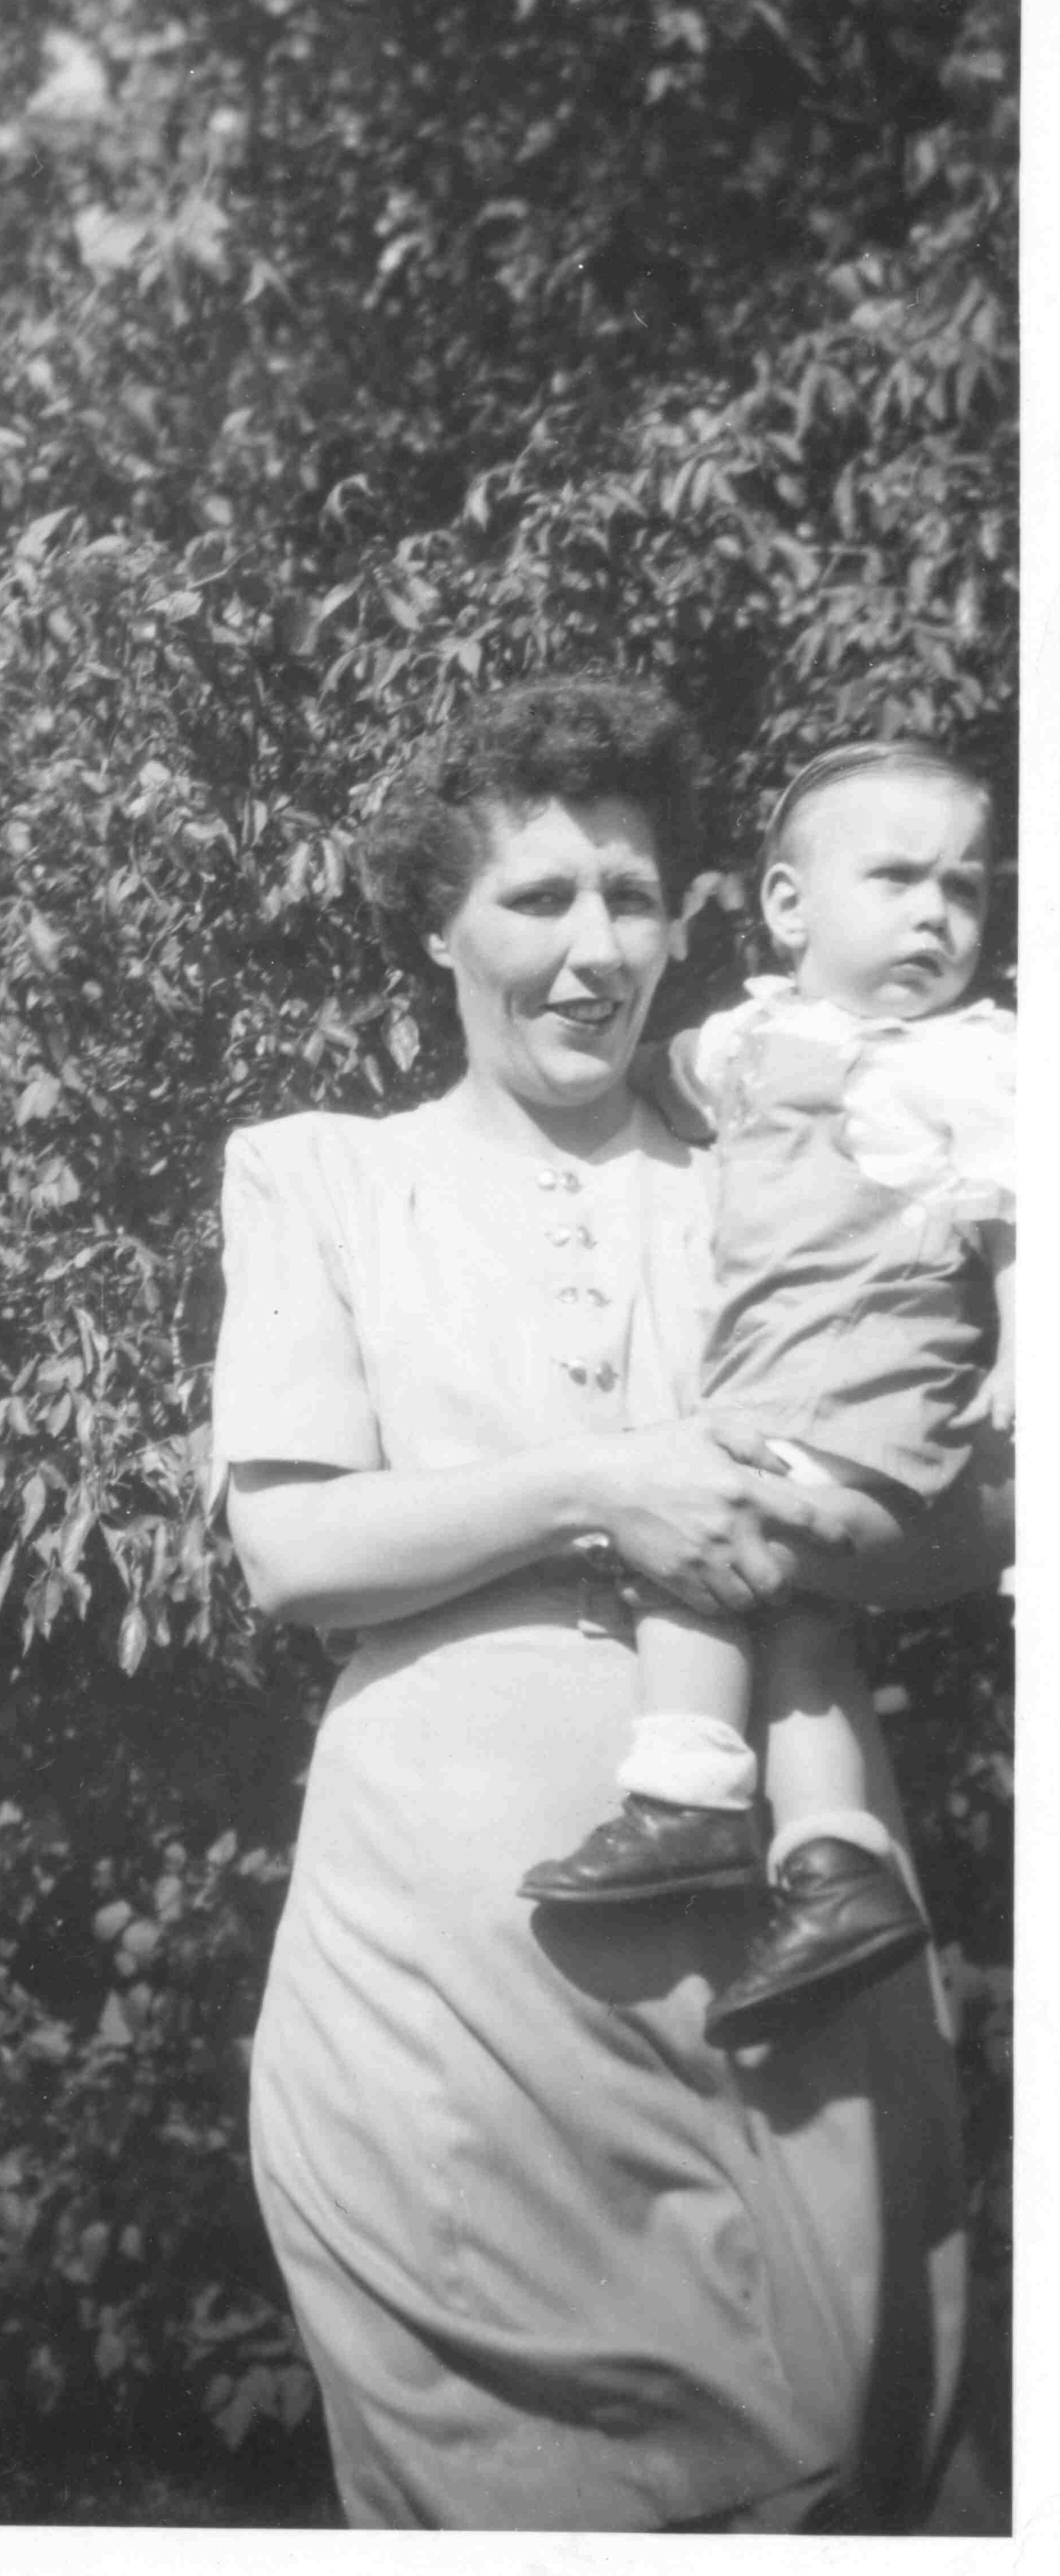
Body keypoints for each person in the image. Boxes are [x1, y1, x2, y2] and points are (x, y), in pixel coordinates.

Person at [212, 676, 1010, 2533]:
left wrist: (871, 1498)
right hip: (443, 1954)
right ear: (438, 925)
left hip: (786, 1942)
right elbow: (296, 1549)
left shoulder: (794, 1162)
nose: (592, 950)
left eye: (632, 897)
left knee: (844, 2441)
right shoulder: (322, 1172)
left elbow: (969, 1518)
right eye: (537, 897)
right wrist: (604, 1484)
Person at [522, 741, 1014, 2049]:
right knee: (797, 1625)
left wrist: (1028, 1353)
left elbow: (1023, 1217)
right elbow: (636, 1079)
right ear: (788, 906)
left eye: (966, 888)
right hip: (776, 1381)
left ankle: (683, 1798)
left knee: (697, 1547)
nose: (937, 914)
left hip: (871, 1379)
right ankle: (836, 1865)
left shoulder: (970, 1058)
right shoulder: (745, 1040)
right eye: (898, 878)